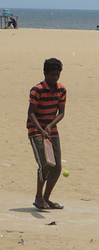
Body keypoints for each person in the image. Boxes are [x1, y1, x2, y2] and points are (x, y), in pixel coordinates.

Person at [27, 58, 66, 210]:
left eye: (57, 75)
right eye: (52, 75)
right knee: (45, 164)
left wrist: (50, 126)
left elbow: (61, 113)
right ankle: (38, 197)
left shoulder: (61, 89)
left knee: (57, 167)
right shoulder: (37, 90)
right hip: (35, 130)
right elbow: (31, 113)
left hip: (51, 131)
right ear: (45, 73)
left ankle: (46, 198)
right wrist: (41, 129)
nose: (55, 78)